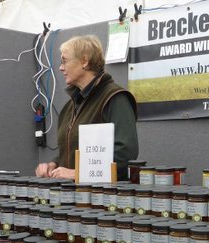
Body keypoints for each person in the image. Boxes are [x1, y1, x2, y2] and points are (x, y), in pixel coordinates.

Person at [35, 35, 138, 180]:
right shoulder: (69, 108)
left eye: (64, 61)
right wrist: (55, 164)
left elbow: (125, 156)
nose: (60, 67)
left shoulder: (115, 98)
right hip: (70, 198)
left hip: (101, 199)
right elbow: (75, 150)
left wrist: (78, 173)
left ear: (84, 61)